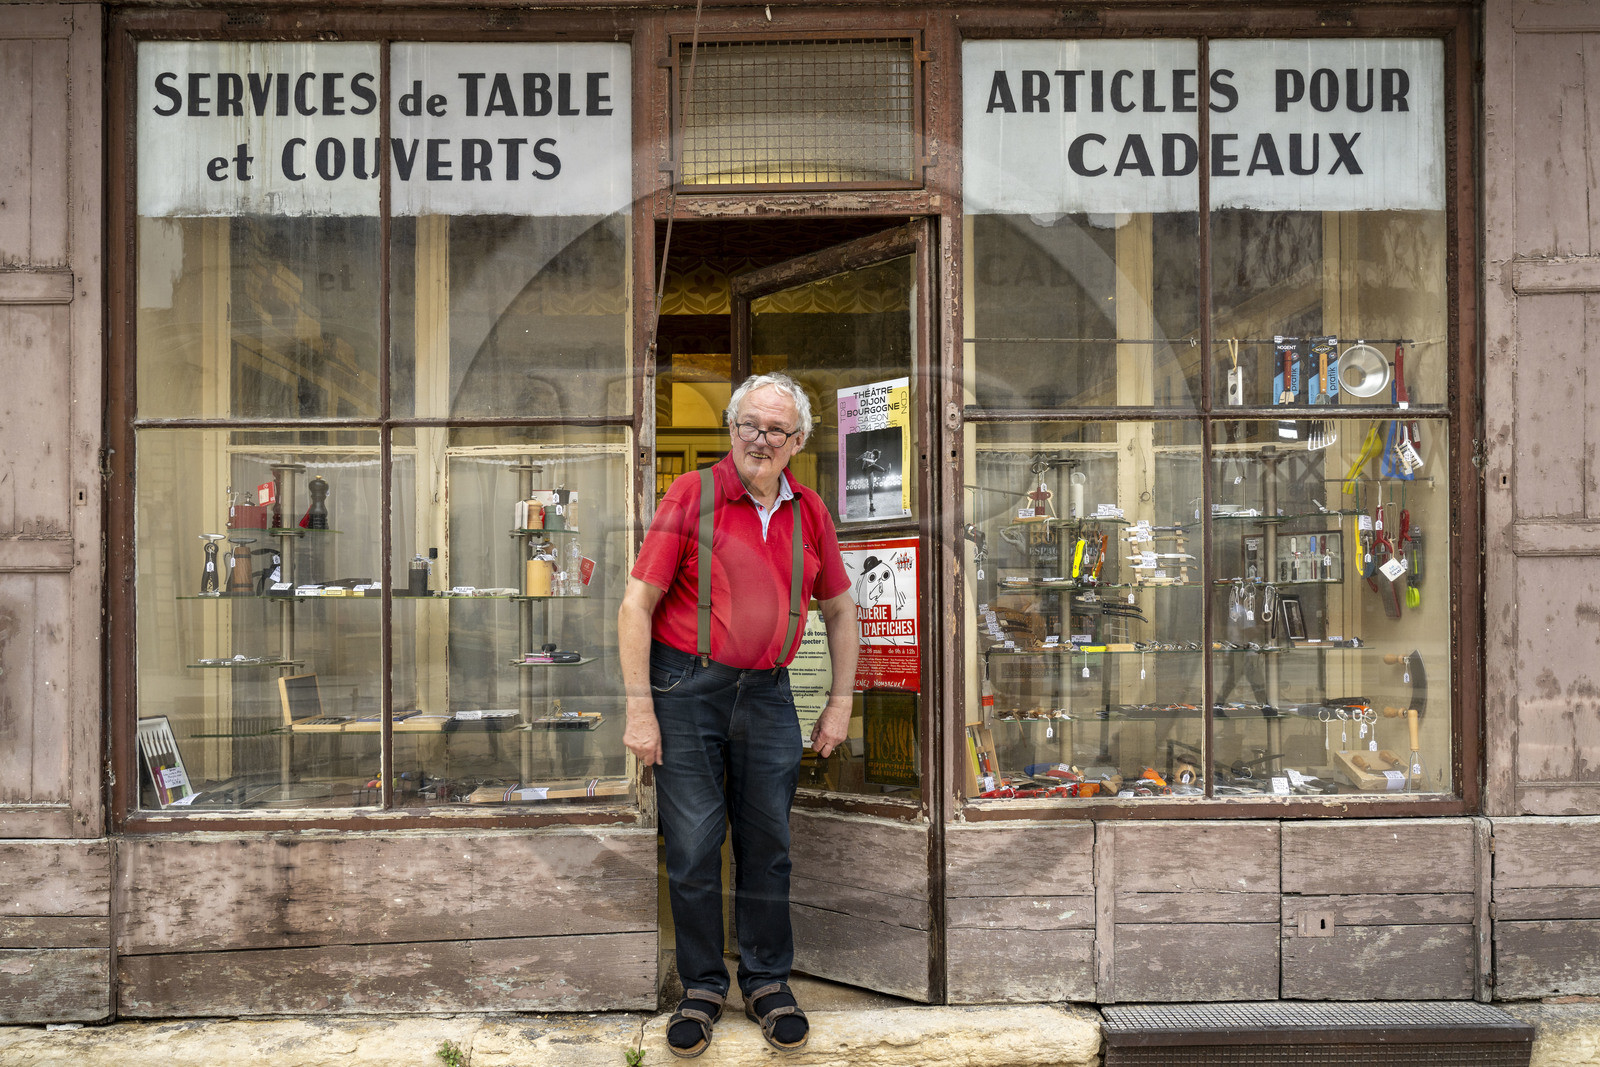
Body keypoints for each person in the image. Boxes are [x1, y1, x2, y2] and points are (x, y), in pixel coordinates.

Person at [619, 372, 858, 1058]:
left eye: (774, 429)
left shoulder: (809, 510)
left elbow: (841, 610)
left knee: (768, 845)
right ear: (731, 429)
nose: (759, 438)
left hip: (768, 691)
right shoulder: (690, 494)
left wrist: (838, 701)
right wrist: (641, 709)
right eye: (748, 424)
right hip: (684, 687)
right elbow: (636, 605)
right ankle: (701, 984)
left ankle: (765, 979)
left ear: (797, 442)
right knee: (693, 845)